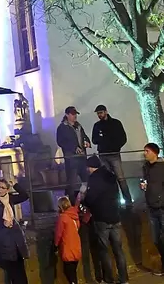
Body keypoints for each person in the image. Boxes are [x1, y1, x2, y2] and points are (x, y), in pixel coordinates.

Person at [84, 155, 128, 284]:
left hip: (101, 218)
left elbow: (90, 198)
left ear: (92, 167)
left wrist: (85, 201)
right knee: (118, 250)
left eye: (88, 168)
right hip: (115, 216)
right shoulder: (111, 175)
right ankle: (124, 279)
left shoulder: (94, 178)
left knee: (104, 250)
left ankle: (109, 279)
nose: (88, 170)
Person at [0, 179, 29, 284]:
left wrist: (16, 184)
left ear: (7, 190)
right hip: (3, 237)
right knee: (11, 269)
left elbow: (25, 195)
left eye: (2, 188)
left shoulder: (10, 198)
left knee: (20, 268)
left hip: (15, 238)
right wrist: (1, 222)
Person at [91, 105, 131, 206]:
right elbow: (94, 140)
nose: (99, 115)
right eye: (98, 113)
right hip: (104, 155)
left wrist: (116, 147)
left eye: (101, 113)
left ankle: (127, 201)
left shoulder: (116, 123)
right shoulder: (97, 125)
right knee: (109, 179)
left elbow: (123, 138)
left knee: (120, 178)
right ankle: (114, 201)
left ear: (106, 112)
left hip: (113, 154)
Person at [56, 106, 91, 196]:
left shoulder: (78, 126)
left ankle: (83, 200)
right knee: (71, 183)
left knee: (86, 180)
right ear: (67, 115)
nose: (75, 116)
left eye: (75, 114)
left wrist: (87, 142)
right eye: (72, 114)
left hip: (82, 157)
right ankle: (70, 204)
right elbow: (60, 142)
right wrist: (74, 148)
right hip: (71, 159)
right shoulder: (62, 128)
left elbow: (84, 136)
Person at [142, 142, 164, 274]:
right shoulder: (145, 167)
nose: (145, 153)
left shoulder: (162, 167)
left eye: (147, 151)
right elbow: (144, 180)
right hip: (151, 208)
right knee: (156, 239)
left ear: (154, 153)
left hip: (162, 207)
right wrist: (143, 185)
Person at [55, 196, 82, 284]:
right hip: (76, 247)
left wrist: (55, 245)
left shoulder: (63, 217)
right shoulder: (75, 215)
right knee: (73, 272)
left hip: (68, 249)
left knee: (68, 273)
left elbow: (59, 234)